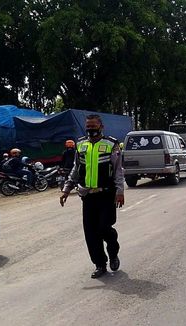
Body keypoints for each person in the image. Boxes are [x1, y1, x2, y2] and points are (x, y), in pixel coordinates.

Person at [59, 114, 125, 279]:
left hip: (106, 194)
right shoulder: (81, 144)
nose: (90, 129)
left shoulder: (111, 144)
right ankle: (100, 264)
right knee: (91, 232)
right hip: (87, 195)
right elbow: (76, 168)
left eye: (93, 126)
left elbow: (118, 170)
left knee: (104, 227)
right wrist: (66, 189)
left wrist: (120, 191)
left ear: (101, 126)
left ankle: (113, 251)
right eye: (88, 126)